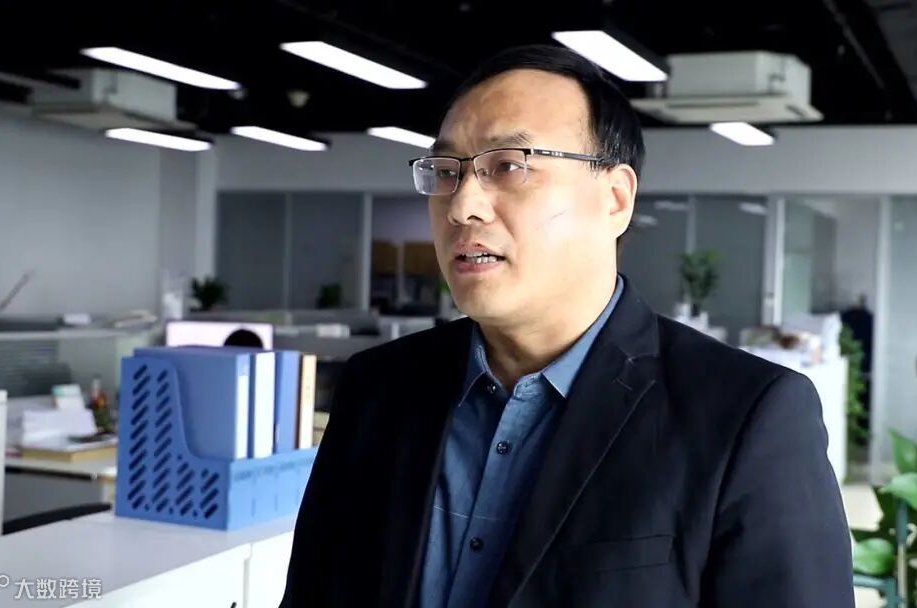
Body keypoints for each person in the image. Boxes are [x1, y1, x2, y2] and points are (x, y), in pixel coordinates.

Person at [281, 45, 853, 607]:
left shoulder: (746, 416)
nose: (461, 207)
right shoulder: (378, 388)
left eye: (509, 166)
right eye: (447, 171)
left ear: (615, 199)